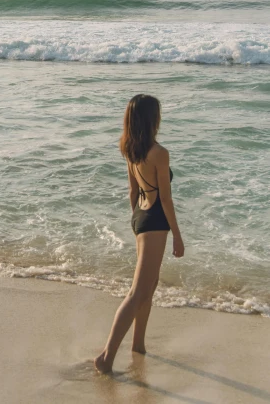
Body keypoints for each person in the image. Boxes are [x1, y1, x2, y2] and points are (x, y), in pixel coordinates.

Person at [94, 94, 184, 374]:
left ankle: (139, 345)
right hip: (155, 220)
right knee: (137, 293)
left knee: (149, 287)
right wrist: (178, 237)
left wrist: (138, 221)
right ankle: (106, 357)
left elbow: (133, 191)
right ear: (150, 118)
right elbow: (166, 200)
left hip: (141, 215)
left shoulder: (130, 148)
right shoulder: (159, 153)